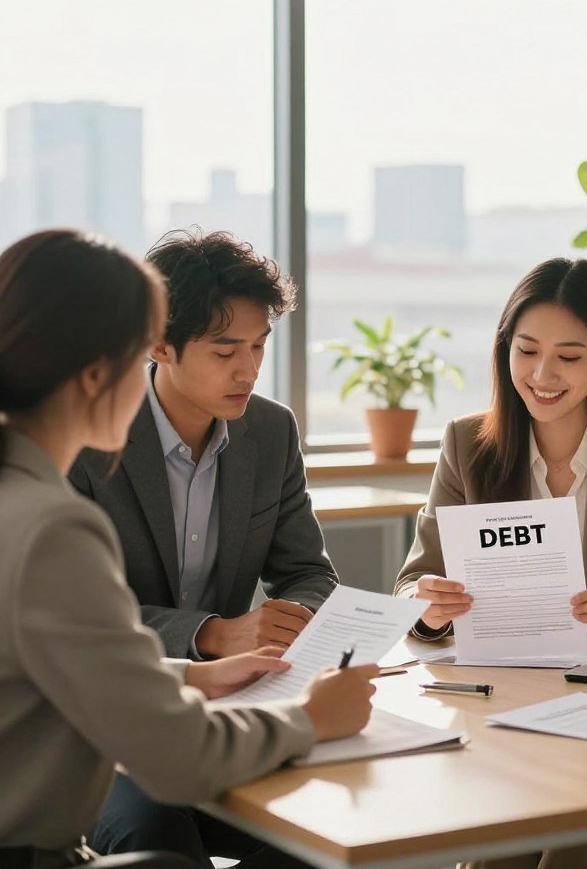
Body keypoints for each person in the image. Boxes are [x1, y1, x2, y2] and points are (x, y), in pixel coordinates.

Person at [0, 229, 377, 868]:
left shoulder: (18, 494)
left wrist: (195, 675)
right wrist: (312, 718)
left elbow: (58, 657)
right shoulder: (52, 527)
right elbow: (177, 759)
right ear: (105, 370)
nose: (249, 368)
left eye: (258, 348)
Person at [395, 256, 587, 869]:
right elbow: (410, 584)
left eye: (569, 356)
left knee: (581, 832)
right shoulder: (466, 444)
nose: (542, 374)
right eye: (526, 350)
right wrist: (429, 608)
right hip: (499, 713)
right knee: (496, 838)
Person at [69, 228, 338, 659]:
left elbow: (308, 572)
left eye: (258, 347)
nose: (248, 372)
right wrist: (209, 635)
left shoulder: (272, 429)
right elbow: (73, 609)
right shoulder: (85, 438)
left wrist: (291, 619)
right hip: (112, 684)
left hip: (237, 683)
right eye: (225, 353)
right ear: (160, 345)